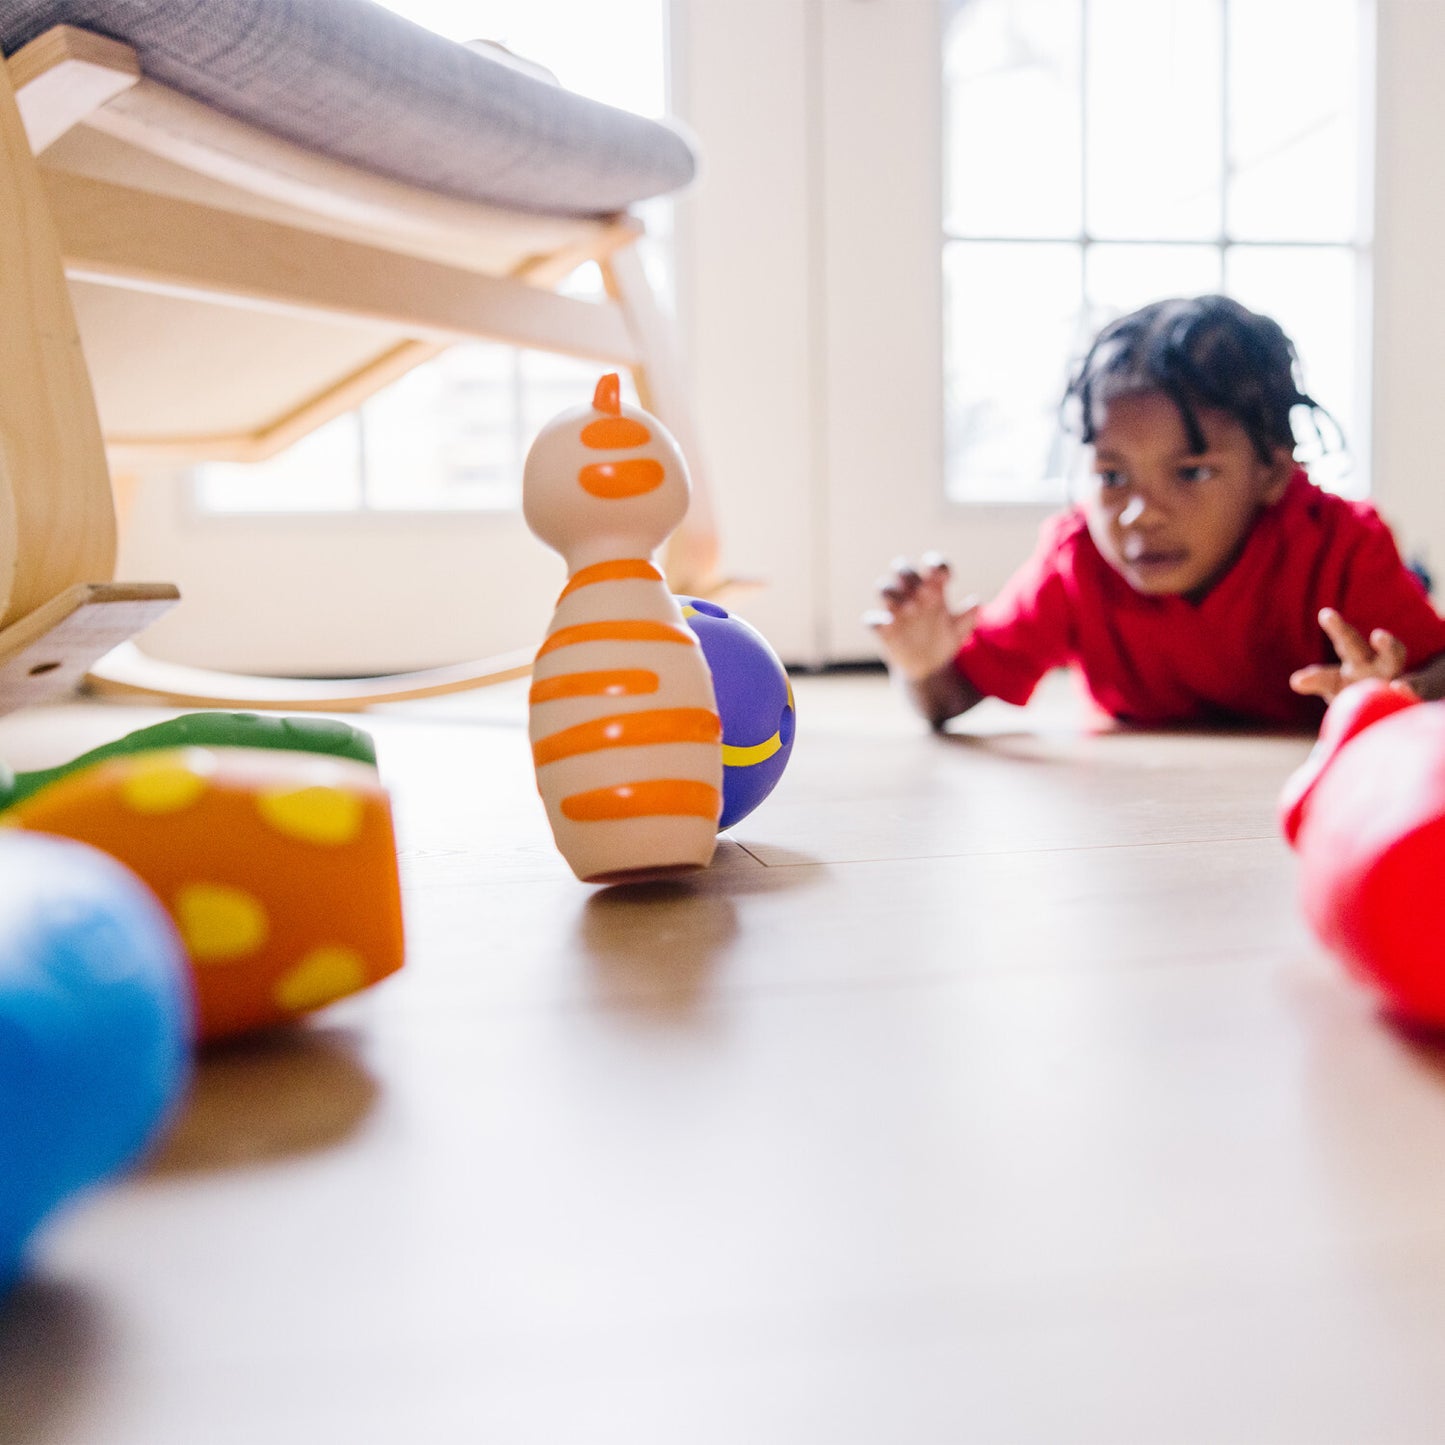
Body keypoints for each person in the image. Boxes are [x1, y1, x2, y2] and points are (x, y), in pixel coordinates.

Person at [867, 294, 1445, 730]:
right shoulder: (1076, 564)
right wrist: (922, 666)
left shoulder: (1339, 545)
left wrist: (1398, 695)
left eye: (1191, 471)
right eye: (1112, 477)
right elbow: (949, 699)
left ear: (1271, 472)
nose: (1140, 515)